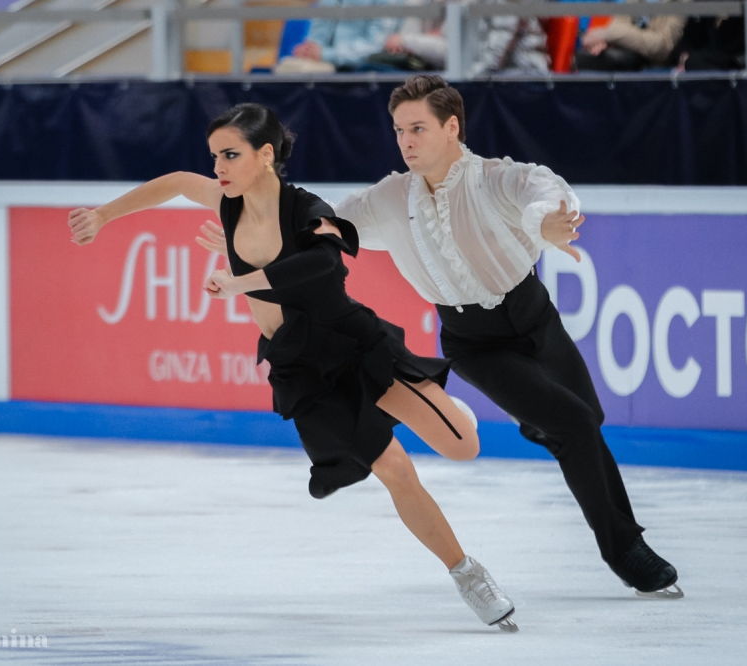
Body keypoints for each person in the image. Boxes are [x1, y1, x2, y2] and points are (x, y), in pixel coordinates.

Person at [199, 77, 682, 598]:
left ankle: (542, 426)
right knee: (577, 423)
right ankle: (625, 550)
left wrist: (547, 225)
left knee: (587, 421)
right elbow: (327, 223)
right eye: (399, 130)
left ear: (452, 127)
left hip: (535, 317)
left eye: (418, 129)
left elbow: (543, 193)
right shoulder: (389, 197)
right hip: (475, 343)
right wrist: (248, 242)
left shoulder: (494, 178)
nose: (406, 141)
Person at [67, 103, 519, 631]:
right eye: (215, 156)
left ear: (265, 155)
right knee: (395, 469)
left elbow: (321, 265)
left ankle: (430, 404)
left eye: (231, 155)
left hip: (351, 343)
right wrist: (102, 216)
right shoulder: (225, 204)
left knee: (464, 446)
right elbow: (173, 182)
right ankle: (467, 574)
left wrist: (239, 281)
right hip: (300, 365)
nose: (219, 168)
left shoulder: (308, 208)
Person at [576, 0, 686, 72]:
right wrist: (605, 42)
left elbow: (661, 47)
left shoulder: (681, 2)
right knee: (583, 55)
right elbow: (618, 23)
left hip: (651, 63)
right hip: (622, 51)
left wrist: (609, 34)